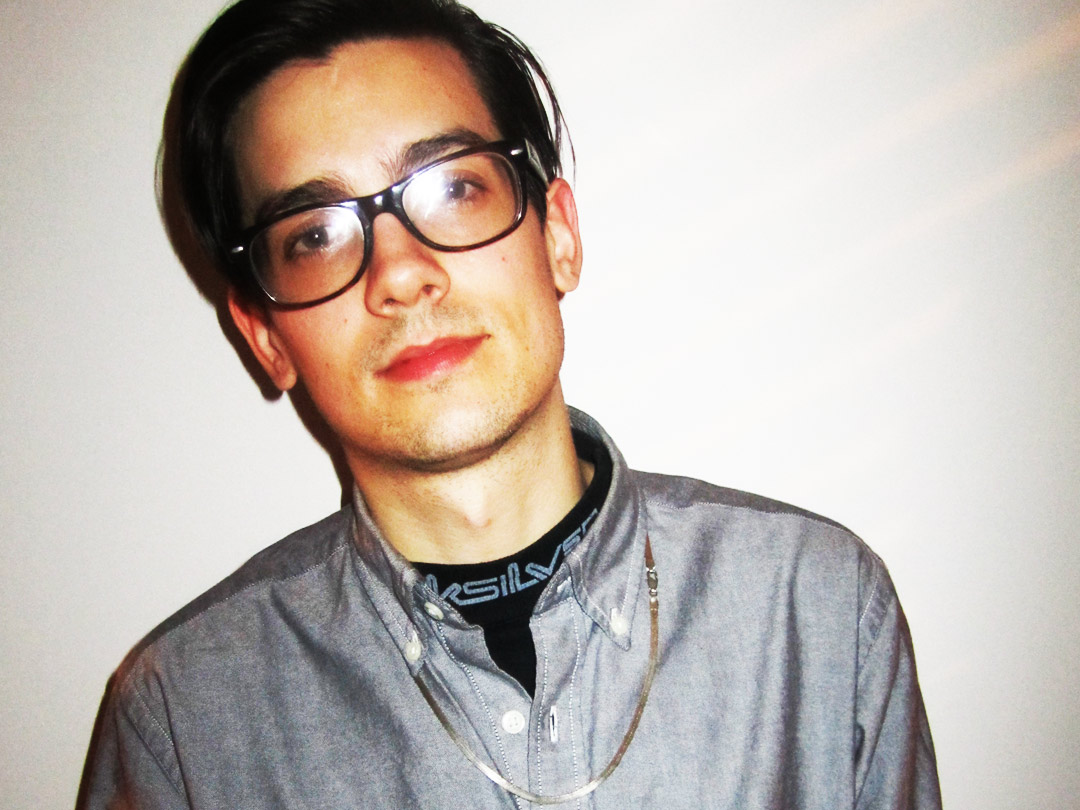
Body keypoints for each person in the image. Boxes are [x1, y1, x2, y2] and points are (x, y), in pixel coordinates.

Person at [79, 0, 941, 807]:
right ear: (266, 336)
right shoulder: (180, 721)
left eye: (452, 188)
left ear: (557, 234)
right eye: (316, 235)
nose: (400, 274)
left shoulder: (819, 609)